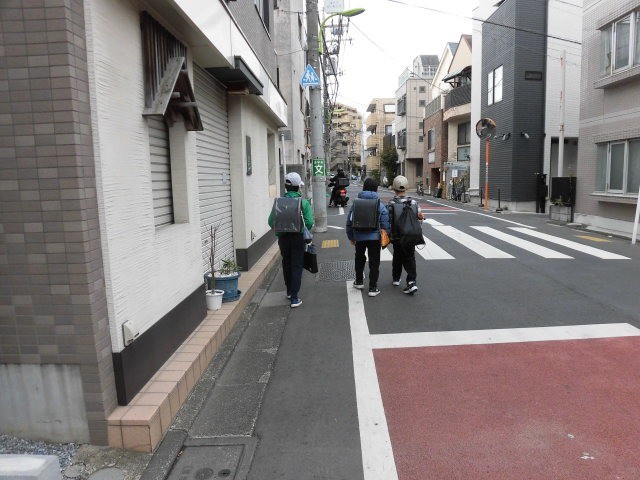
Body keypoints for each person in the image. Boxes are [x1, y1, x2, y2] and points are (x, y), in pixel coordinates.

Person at [268, 172, 314, 308]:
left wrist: (282, 229)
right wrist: (300, 228)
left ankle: (289, 291)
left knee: (286, 264)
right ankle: (294, 298)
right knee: (297, 265)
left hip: (283, 238)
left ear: (286, 187)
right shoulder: (303, 202)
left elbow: (271, 222)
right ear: (298, 187)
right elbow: (309, 222)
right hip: (298, 238)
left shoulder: (278, 202)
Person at [346, 178, 390, 297]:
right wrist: (386, 237)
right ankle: (373, 288)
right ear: (376, 189)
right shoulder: (379, 205)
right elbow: (385, 224)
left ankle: (359, 281)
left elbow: (349, 222)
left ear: (364, 188)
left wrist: (351, 236)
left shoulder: (356, 203)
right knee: (374, 262)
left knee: (359, 258)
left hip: (359, 237)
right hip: (375, 238)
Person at [388, 175, 424, 295]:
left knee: (397, 255)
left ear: (394, 188)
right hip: (411, 235)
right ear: (407, 187)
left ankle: (396, 278)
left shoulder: (391, 203)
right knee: (410, 257)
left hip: (397, 235)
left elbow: (388, 220)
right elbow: (419, 218)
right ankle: (411, 281)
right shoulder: (414, 202)